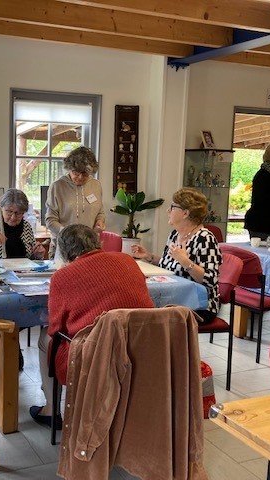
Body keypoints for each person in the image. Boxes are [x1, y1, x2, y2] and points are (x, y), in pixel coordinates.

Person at [29, 224, 155, 428]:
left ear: (64, 251)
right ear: (98, 243)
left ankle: (51, 410)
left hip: (96, 354)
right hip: (141, 347)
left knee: (46, 338)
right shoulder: (126, 260)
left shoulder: (62, 276)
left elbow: (56, 327)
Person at [132, 188, 222, 324]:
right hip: (174, 298)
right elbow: (167, 265)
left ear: (185, 213)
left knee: (146, 318)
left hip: (199, 305)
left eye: (173, 207)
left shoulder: (205, 238)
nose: (168, 211)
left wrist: (185, 261)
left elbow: (210, 281)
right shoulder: (175, 234)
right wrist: (148, 256)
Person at [45, 146, 105, 259]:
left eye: (85, 173)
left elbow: (100, 212)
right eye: (76, 173)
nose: (81, 177)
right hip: (64, 248)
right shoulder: (57, 186)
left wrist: (99, 222)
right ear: (69, 169)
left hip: (90, 249)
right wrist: (69, 235)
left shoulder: (96, 185)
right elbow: (50, 220)